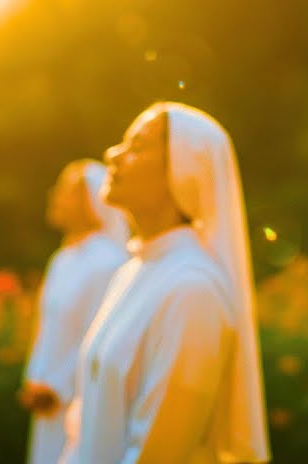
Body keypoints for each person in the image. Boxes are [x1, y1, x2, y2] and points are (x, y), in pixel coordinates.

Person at [59, 103, 270, 463]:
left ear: (184, 171)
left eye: (137, 146)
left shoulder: (193, 291)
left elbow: (156, 453)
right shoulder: (133, 271)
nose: (113, 155)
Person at [22, 160, 129, 464]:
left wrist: (58, 386)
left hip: (78, 400)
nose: (55, 197)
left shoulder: (108, 262)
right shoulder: (63, 258)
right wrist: (34, 378)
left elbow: (97, 335)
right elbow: (47, 327)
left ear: (92, 201)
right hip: (46, 397)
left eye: (67, 191)